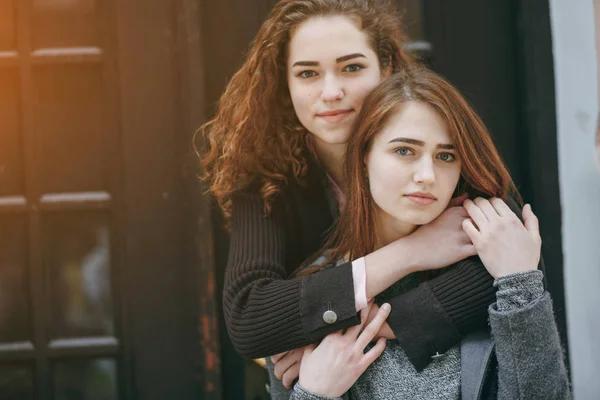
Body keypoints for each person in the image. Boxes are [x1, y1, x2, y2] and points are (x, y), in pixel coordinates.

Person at [199, 0, 514, 384]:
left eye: (351, 67)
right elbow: (251, 318)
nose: (331, 92)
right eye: (308, 73)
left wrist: (350, 329)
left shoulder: (435, 143)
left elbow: (511, 265)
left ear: (386, 68)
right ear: (285, 83)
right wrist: (413, 252)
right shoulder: (267, 179)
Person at [280, 67, 570, 400]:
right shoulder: (314, 293)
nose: (427, 175)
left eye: (446, 156)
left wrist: (520, 281)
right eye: (405, 151)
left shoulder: (494, 268)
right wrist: (314, 393)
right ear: (362, 158)